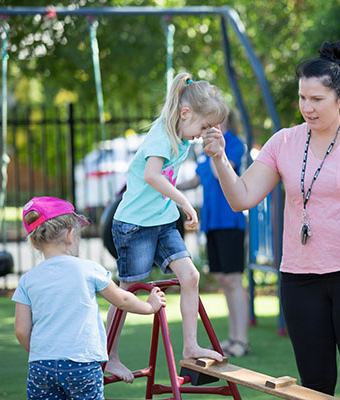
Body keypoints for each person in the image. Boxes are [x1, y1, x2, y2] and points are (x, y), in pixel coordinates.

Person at [202, 41, 340, 399]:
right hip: (300, 280)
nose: (307, 108)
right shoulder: (283, 142)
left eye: (317, 99)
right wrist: (219, 159)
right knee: (314, 387)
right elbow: (242, 198)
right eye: (302, 98)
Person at [105, 72, 229, 382]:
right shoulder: (162, 135)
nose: (202, 133)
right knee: (127, 292)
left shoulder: (183, 135)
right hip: (134, 226)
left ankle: (190, 347)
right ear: (185, 113)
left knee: (190, 276)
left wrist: (213, 140)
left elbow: (194, 142)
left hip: (161, 225)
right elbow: (152, 175)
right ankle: (109, 357)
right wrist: (184, 202)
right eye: (202, 127)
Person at [12, 196, 166, 400]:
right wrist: (150, 307)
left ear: (35, 243)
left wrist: (42, 352)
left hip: (41, 365)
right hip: (81, 363)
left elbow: (21, 330)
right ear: (70, 234)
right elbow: (123, 300)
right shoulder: (88, 269)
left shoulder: (27, 280)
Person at [177, 109, 250, 358]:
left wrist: (213, 149)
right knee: (222, 279)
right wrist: (167, 186)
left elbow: (221, 172)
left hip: (230, 220)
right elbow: (197, 180)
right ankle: (233, 337)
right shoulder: (207, 149)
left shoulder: (234, 144)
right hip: (213, 222)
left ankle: (242, 339)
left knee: (233, 280)